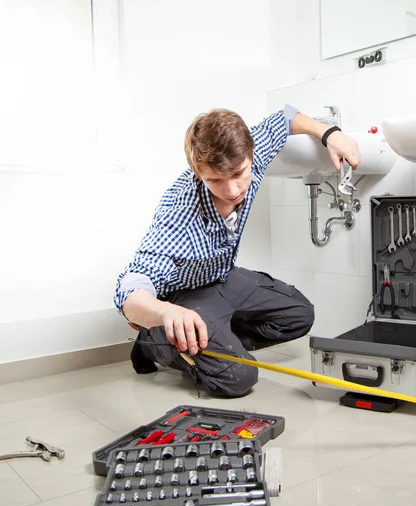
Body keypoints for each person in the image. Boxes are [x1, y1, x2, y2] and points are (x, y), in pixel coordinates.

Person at [114, 105, 360, 398]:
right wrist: (166, 312)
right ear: (198, 173)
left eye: (238, 173)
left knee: (299, 315)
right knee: (238, 377)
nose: (231, 189)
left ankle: (212, 337)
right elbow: (130, 288)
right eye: (215, 180)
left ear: (250, 155)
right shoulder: (179, 214)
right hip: (184, 297)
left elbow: (284, 118)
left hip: (222, 278)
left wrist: (330, 134)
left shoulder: (247, 150)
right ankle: (155, 339)